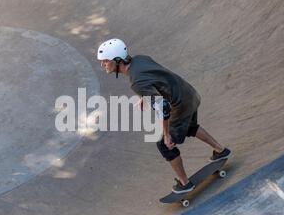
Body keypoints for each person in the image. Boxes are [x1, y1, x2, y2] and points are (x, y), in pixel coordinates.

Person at [97, 38, 231, 194]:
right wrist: (145, 96)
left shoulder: (136, 82)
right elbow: (158, 77)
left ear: (117, 60)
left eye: (105, 61)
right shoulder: (140, 59)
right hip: (188, 93)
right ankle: (220, 150)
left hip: (180, 104)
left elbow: (164, 108)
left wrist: (167, 135)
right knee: (189, 127)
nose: (103, 65)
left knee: (164, 145)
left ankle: (184, 184)